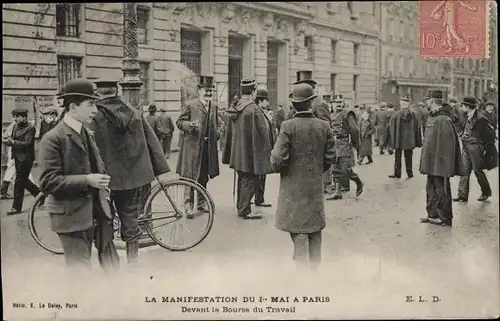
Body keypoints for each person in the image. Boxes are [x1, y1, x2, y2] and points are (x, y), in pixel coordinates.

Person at [38, 78, 119, 270]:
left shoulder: (86, 132)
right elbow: (48, 181)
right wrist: (88, 180)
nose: (95, 110)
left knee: (111, 265)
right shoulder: (52, 138)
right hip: (71, 218)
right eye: (91, 104)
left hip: (95, 213)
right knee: (79, 272)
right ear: (73, 107)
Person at [91, 79, 170, 264]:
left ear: (98, 92)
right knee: (131, 219)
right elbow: (151, 141)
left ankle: (110, 263)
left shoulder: (94, 116)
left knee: (105, 219)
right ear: (116, 90)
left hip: (105, 179)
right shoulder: (134, 113)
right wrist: (159, 166)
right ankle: (133, 262)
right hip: (131, 178)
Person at [271, 82, 336, 268]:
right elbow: (331, 157)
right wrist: (315, 170)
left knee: (298, 228)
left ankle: (302, 278)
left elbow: (277, 159)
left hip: (293, 186)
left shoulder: (288, 126)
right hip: (314, 185)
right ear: (311, 103)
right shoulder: (324, 126)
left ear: (294, 104)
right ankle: (315, 269)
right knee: (314, 228)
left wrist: (285, 169)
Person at [222, 80, 274, 219]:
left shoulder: (236, 106)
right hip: (250, 151)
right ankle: (244, 210)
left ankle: (241, 205)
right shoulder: (252, 108)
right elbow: (263, 130)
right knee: (250, 180)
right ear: (253, 92)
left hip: (238, 151)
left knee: (243, 178)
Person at [177, 76, 221, 217]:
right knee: (190, 177)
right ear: (200, 91)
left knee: (203, 176)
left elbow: (218, 124)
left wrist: (217, 134)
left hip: (207, 148)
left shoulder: (213, 106)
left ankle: (201, 203)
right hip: (193, 148)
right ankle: (188, 206)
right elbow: (179, 122)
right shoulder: (191, 105)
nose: (208, 93)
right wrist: (190, 125)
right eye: (206, 91)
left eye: (210, 91)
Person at [419, 90, 465, 227]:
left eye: (427, 100)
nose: (425, 103)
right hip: (432, 162)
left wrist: (445, 166)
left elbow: (449, 145)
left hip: (440, 163)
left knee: (441, 189)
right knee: (431, 188)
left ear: (432, 101)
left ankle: (444, 217)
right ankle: (432, 214)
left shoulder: (443, 119)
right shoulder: (434, 116)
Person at [453, 97, 496, 202]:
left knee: (478, 171)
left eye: (463, 105)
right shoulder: (465, 116)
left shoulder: (480, 118)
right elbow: (461, 127)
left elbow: (490, 135)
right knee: (464, 170)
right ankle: (462, 194)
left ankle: (486, 192)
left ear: (468, 107)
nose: (461, 107)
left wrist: (486, 149)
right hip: (466, 147)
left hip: (476, 148)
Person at [3, 108, 41, 215]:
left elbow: (28, 143)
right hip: (17, 157)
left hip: (26, 158)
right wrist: (10, 142)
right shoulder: (15, 126)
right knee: (23, 180)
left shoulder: (31, 128)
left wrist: (13, 142)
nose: (15, 119)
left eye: (17, 117)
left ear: (24, 117)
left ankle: (16, 207)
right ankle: (40, 195)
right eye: (14, 116)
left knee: (19, 182)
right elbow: (15, 140)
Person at [327, 95, 363, 201]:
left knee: (345, 170)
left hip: (344, 144)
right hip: (334, 144)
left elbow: (355, 130)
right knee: (335, 169)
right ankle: (338, 192)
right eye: (335, 102)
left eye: (340, 102)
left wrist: (356, 144)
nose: (337, 104)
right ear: (332, 104)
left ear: (343, 103)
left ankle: (358, 182)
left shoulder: (347, 113)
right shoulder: (332, 114)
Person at [250, 87, 275, 208]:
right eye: (266, 100)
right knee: (259, 175)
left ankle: (259, 198)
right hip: (260, 149)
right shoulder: (258, 113)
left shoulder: (263, 113)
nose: (267, 103)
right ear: (260, 101)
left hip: (264, 148)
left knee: (262, 175)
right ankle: (258, 198)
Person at [387, 96, 422, 179]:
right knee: (409, 157)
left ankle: (397, 173)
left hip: (399, 139)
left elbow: (391, 128)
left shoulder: (396, 115)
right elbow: (418, 127)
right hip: (409, 140)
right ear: (408, 104)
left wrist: (392, 140)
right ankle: (410, 173)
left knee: (397, 157)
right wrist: (417, 140)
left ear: (401, 104)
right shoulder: (414, 114)